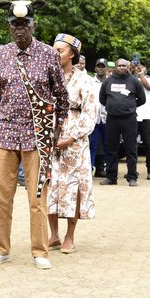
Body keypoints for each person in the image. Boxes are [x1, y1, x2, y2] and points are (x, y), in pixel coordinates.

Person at [0, 0, 68, 270]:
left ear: (34, 24)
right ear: (9, 27)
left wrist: (56, 129)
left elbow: (61, 97)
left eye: (25, 24)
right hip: (4, 133)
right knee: (2, 195)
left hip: (37, 136)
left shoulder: (48, 54)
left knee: (37, 197)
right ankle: (0, 249)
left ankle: (39, 251)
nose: (19, 29)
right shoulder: (1, 54)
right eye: (14, 25)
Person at [47, 34, 97, 253]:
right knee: (49, 185)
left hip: (74, 139)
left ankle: (70, 236)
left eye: (60, 51)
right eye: (54, 50)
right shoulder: (47, 77)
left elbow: (90, 113)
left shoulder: (85, 80)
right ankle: (53, 234)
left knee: (72, 187)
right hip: (49, 136)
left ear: (72, 54)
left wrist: (70, 138)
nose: (55, 54)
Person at [99, 58, 146, 187]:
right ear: (115, 67)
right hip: (112, 118)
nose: (121, 68)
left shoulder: (134, 81)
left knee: (131, 149)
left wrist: (129, 106)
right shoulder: (107, 81)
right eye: (119, 65)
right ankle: (111, 177)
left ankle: (132, 177)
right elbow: (102, 99)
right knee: (111, 149)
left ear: (128, 67)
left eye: (124, 66)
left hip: (129, 119)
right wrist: (113, 107)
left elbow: (142, 99)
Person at [133, 61, 150, 180]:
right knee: (132, 145)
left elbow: (148, 87)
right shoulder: (131, 80)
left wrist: (141, 75)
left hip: (147, 117)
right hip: (132, 116)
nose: (139, 69)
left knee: (149, 145)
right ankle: (132, 171)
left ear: (146, 68)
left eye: (142, 67)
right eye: (137, 67)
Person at [89, 58, 109, 177]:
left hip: (107, 117)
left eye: (103, 66)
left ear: (106, 68)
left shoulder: (110, 81)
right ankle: (89, 169)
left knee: (108, 145)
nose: (101, 68)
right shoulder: (90, 82)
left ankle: (105, 169)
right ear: (95, 68)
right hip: (94, 118)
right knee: (92, 144)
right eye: (99, 66)